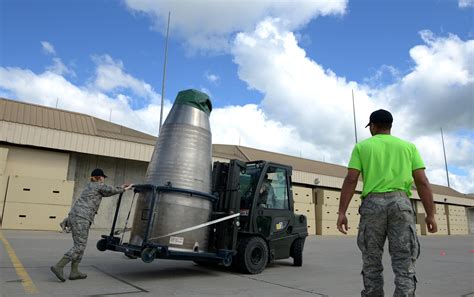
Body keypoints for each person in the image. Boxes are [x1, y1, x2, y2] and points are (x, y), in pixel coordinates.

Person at [337, 109, 437, 297]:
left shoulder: (362, 147)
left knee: (371, 261)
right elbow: (422, 181)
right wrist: (430, 214)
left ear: (373, 126)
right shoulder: (409, 147)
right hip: (401, 204)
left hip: (372, 205)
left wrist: (341, 213)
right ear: (390, 126)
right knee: (404, 261)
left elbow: (351, 180)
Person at [51, 168, 133, 282]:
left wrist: (121, 187)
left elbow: (108, 191)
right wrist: (124, 189)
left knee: (80, 245)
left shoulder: (91, 186)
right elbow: (111, 190)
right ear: (100, 178)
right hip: (81, 219)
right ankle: (59, 266)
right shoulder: (98, 185)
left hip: (75, 217)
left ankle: (74, 272)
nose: (104, 180)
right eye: (103, 178)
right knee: (79, 246)